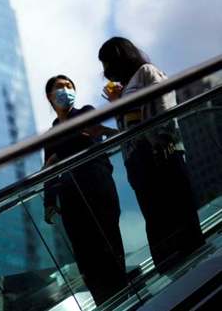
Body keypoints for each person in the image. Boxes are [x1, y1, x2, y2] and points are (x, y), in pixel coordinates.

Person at [99, 37, 204, 272]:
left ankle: (196, 264)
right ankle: (171, 273)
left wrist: (166, 136)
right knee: (156, 222)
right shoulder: (123, 92)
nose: (105, 71)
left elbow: (163, 98)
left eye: (107, 62)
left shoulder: (145, 72)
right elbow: (129, 133)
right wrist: (108, 125)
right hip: (138, 163)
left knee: (180, 212)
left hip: (160, 151)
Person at [41, 75, 128, 305]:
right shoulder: (50, 135)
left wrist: (59, 155)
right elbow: (47, 171)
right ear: (50, 96)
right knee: (85, 257)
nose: (66, 90)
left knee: (108, 246)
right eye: (60, 87)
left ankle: (124, 300)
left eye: (70, 86)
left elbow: (89, 141)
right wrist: (49, 202)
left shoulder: (86, 112)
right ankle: (105, 303)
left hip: (97, 188)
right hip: (70, 199)